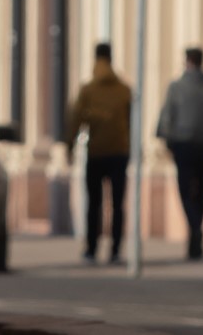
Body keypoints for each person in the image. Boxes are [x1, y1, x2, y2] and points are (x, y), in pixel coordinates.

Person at [155, 47, 203, 261]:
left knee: (186, 191)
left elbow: (167, 116)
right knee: (202, 191)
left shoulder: (177, 89)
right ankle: (196, 228)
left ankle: (194, 226)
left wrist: (166, 139)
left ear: (187, 61)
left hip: (184, 146)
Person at [68, 43, 133, 265]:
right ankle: (115, 249)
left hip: (96, 153)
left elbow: (76, 120)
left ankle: (91, 249)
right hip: (119, 152)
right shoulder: (124, 90)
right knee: (117, 204)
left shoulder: (88, 90)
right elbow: (132, 121)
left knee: (93, 203)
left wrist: (69, 147)